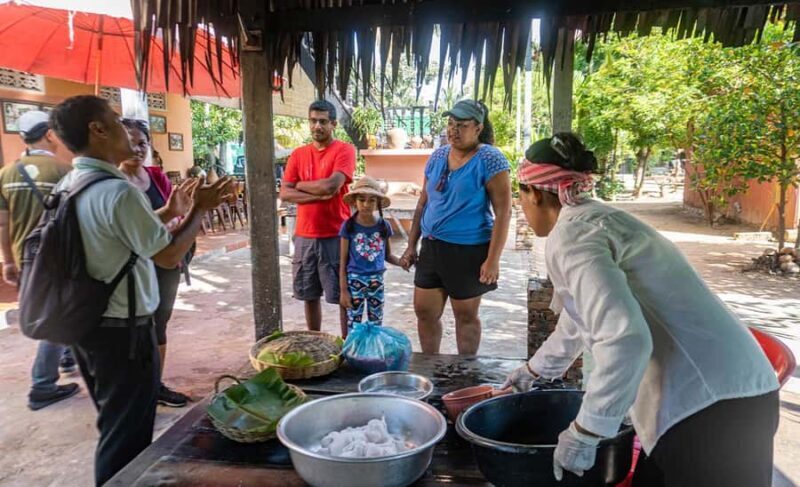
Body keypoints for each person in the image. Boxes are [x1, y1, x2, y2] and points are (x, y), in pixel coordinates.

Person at [503, 133, 780, 487]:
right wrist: (534, 370)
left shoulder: (572, 236)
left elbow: (626, 341)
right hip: (722, 392)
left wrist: (586, 431)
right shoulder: (595, 219)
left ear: (535, 193)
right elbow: (580, 318)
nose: (521, 206)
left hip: (713, 406)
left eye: (520, 195)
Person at [50, 95, 232, 486]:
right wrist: (200, 208)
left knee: (114, 422)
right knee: (127, 437)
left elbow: (122, 232)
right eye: (116, 122)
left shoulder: (72, 183)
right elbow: (167, 255)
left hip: (88, 323)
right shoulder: (118, 192)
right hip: (124, 331)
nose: (127, 133)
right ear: (97, 130)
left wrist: (170, 211)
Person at [399, 99, 511, 355]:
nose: (453, 130)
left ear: (478, 128)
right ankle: (431, 365)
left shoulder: (490, 159)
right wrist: (411, 245)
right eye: (451, 124)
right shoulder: (438, 156)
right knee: (424, 312)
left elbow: (504, 212)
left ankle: (466, 371)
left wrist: (493, 260)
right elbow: (423, 202)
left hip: (468, 250)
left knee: (465, 316)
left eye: (461, 125)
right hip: (432, 246)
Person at [0, 110, 81, 410]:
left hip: (25, 257)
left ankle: (67, 356)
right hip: (57, 256)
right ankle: (42, 386)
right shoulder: (65, 171)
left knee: (54, 310)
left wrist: (8, 261)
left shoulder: (6, 174)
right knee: (55, 315)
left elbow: (3, 223)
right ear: (49, 134)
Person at [120, 118, 190, 408]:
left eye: (142, 143)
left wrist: (177, 218)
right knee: (134, 328)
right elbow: (130, 229)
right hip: (131, 268)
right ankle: (132, 388)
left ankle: (154, 385)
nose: (137, 149)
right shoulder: (114, 184)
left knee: (159, 324)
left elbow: (177, 213)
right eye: (130, 142)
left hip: (165, 263)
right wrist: (166, 220)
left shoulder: (156, 176)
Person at [279, 100, 356, 337]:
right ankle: (315, 340)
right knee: (309, 294)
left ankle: (346, 344)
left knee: (342, 295)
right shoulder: (298, 154)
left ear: (333, 124)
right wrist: (319, 194)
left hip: (336, 234)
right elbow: (285, 193)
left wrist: (300, 185)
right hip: (304, 236)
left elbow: (331, 186)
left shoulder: (345, 150)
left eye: (323, 121)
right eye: (313, 121)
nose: (317, 126)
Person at [338, 176, 401, 333]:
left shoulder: (384, 226)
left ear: (378, 203)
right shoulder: (349, 226)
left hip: (377, 280)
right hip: (355, 281)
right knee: (354, 323)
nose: (366, 204)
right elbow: (343, 262)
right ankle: (354, 348)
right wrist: (344, 291)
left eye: (372, 200)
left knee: (376, 322)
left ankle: (373, 347)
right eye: (362, 200)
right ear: (355, 201)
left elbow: (388, 255)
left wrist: (403, 262)